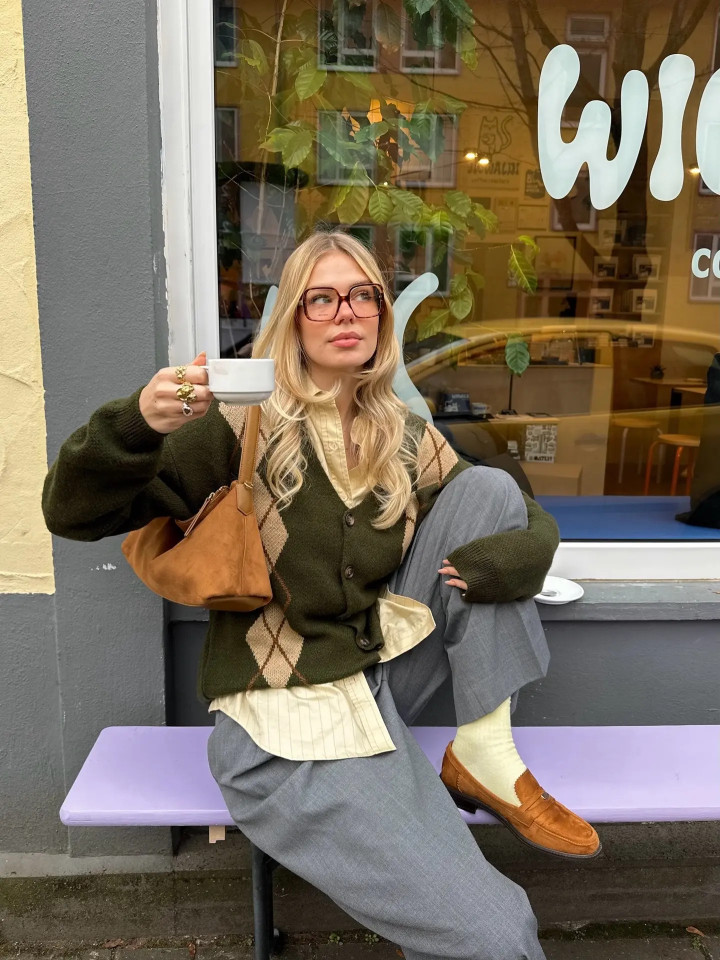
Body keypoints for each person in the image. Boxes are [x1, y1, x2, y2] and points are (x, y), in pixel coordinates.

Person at [42, 231, 600, 960]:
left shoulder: (400, 433)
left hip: (375, 679)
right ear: (293, 321)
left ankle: (483, 751)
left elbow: (516, 513)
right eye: (323, 299)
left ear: (381, 316)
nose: (347, 312)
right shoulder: (239, 422)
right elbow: (71, 512)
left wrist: (521, 558)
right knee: (496, 932)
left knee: (488, 489)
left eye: (363, 295)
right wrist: (138, 423)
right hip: (281, 729)